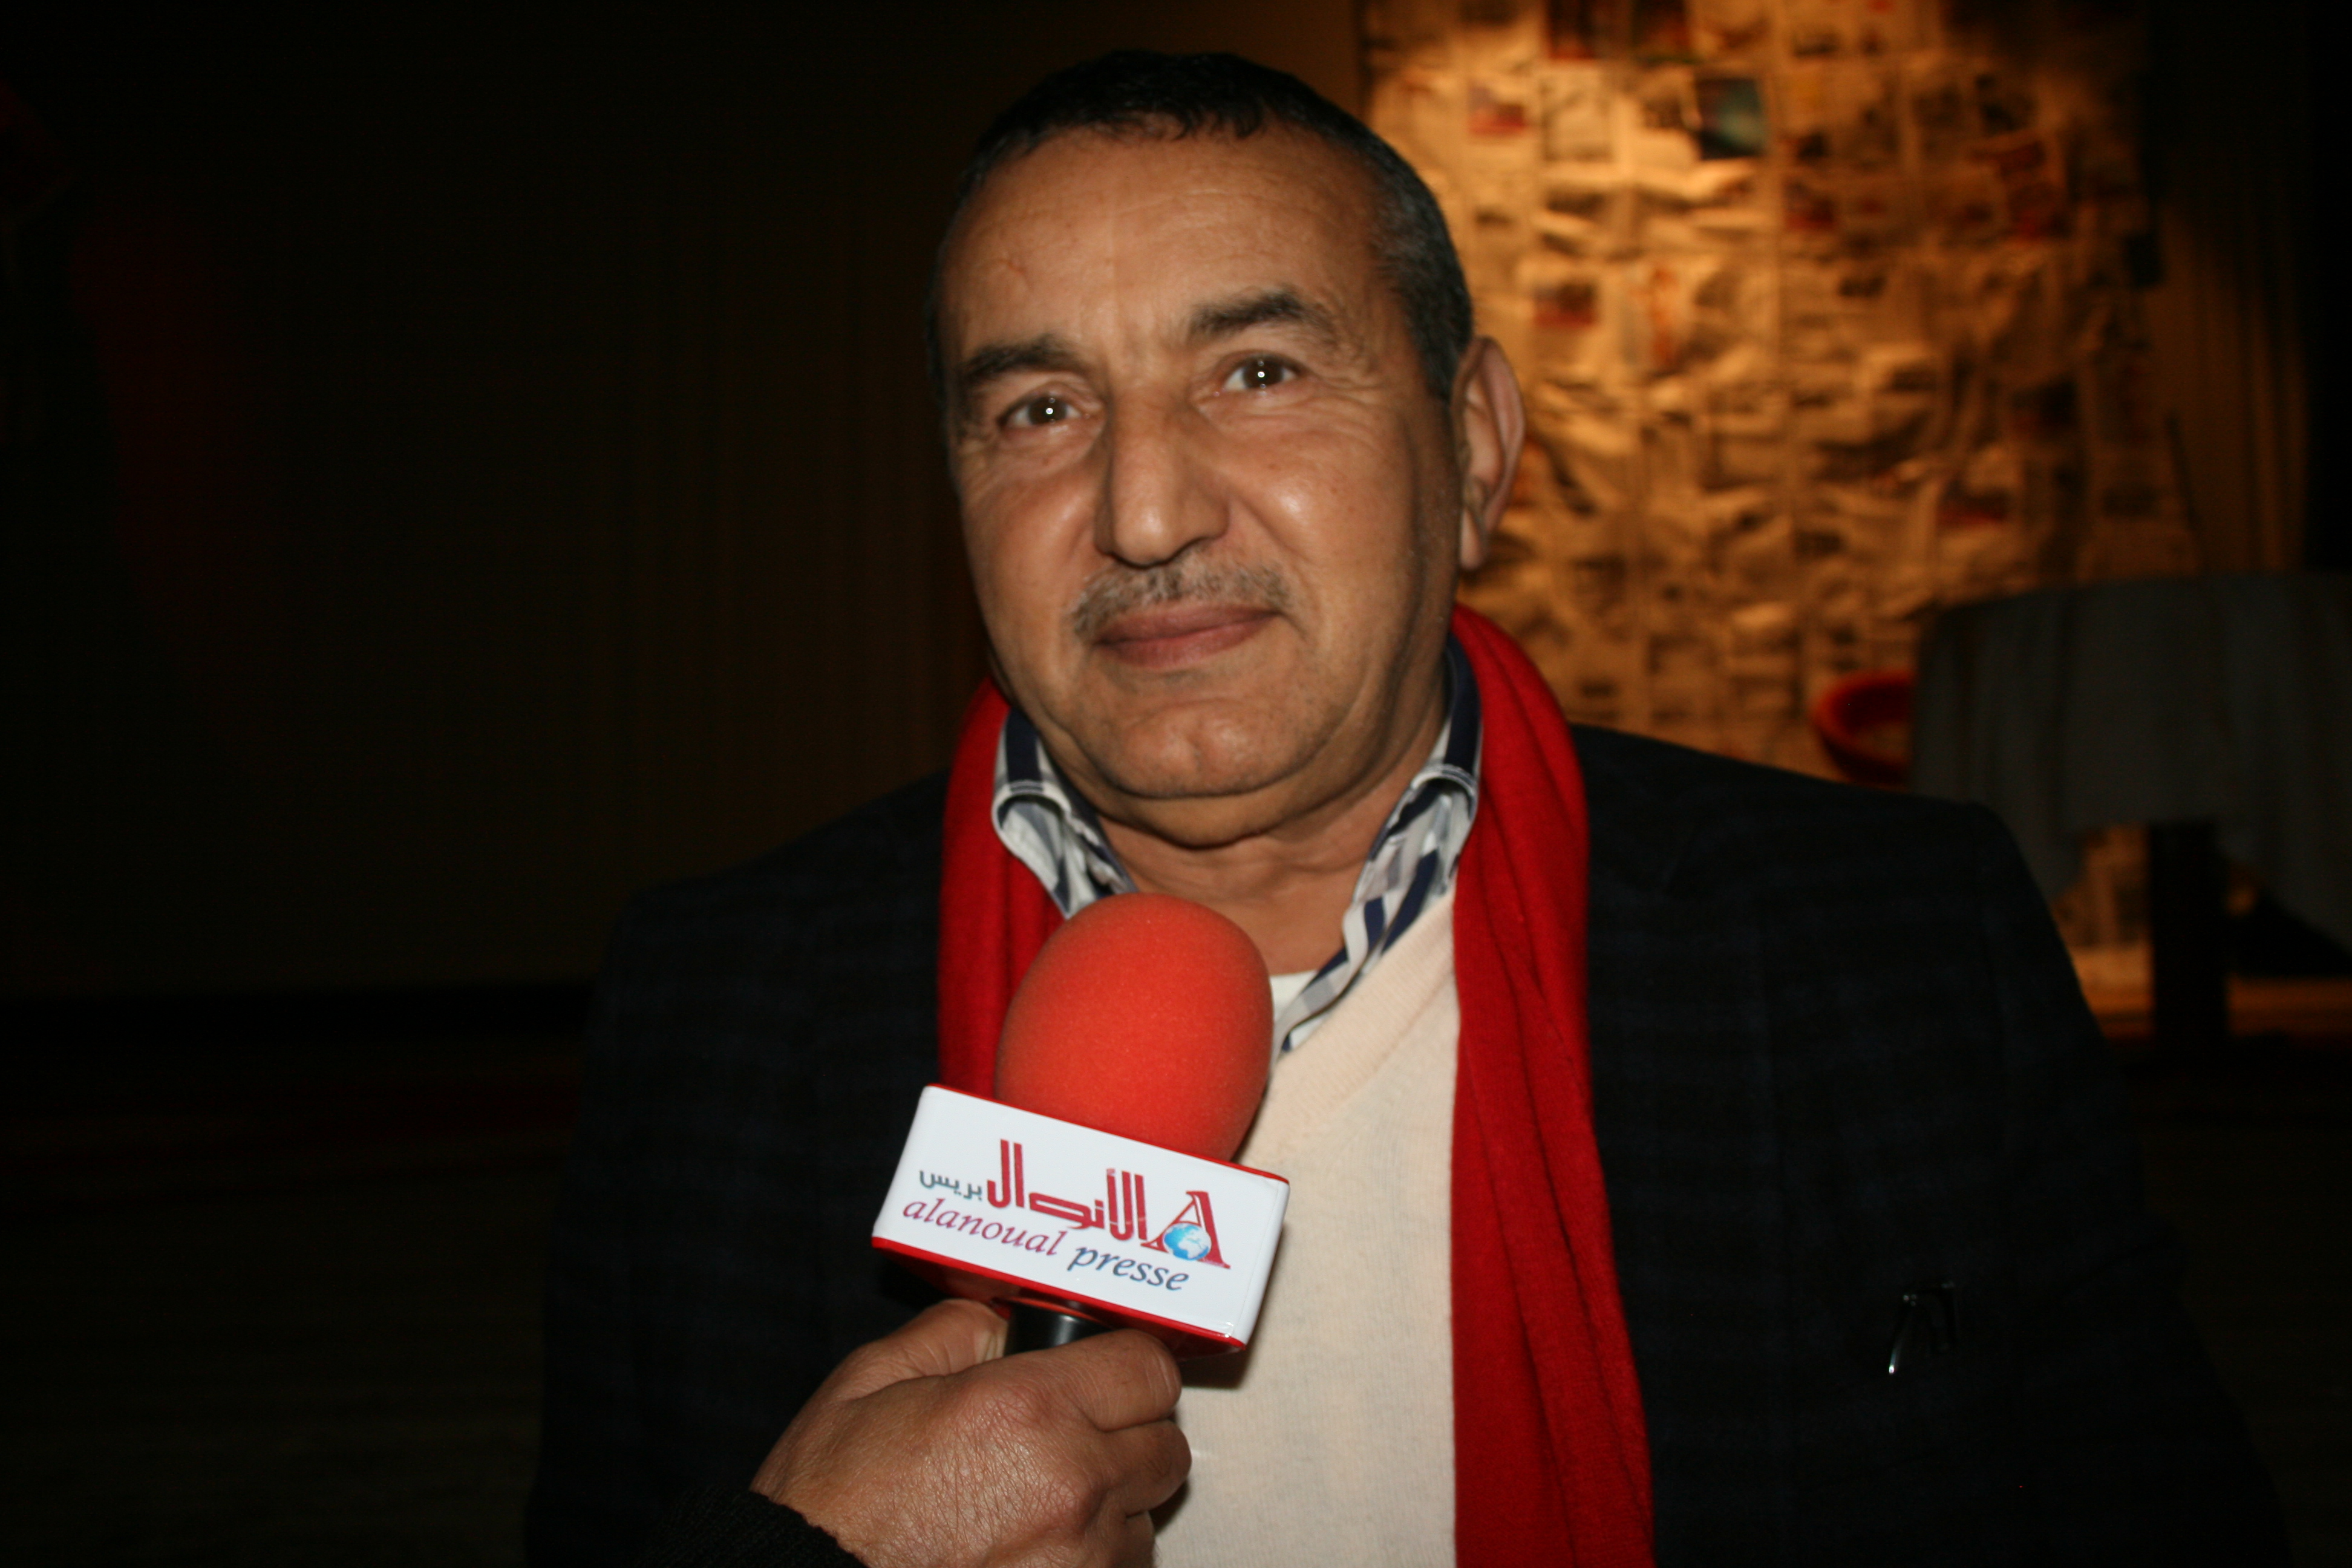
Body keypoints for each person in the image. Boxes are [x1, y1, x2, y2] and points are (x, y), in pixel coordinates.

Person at [527, 51, 2286, 1568]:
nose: (1143, 511)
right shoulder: (718, 1002)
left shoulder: (1900, 947)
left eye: (1259, 372)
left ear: (1477, 449)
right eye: (1041, 408)